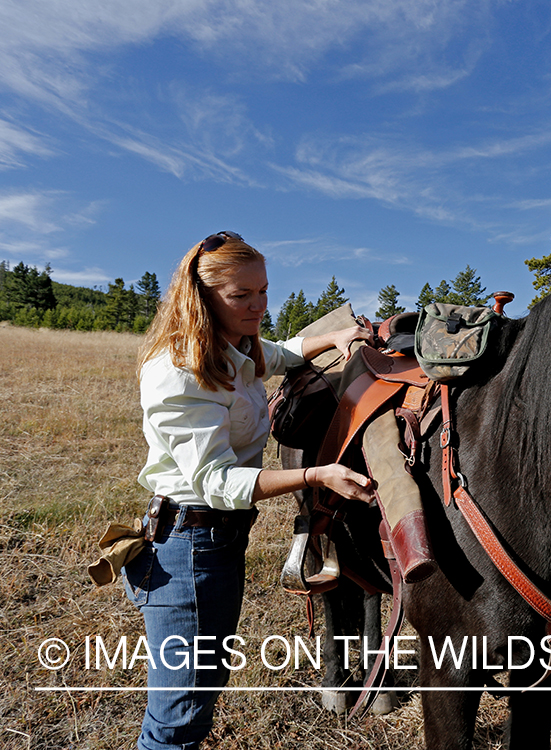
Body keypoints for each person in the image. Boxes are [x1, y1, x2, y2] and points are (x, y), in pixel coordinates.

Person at [123, 231, 374, 749]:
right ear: (202, 297)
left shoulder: (235, 347)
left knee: (199, 693)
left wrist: (336, 337)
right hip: (189, 548)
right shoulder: (179, 371)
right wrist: (314, 475)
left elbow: (281, 354)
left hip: (217, 543)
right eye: (242, 296)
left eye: (264, 291)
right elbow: (215, 481)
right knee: (178, 715)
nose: (259, 305)